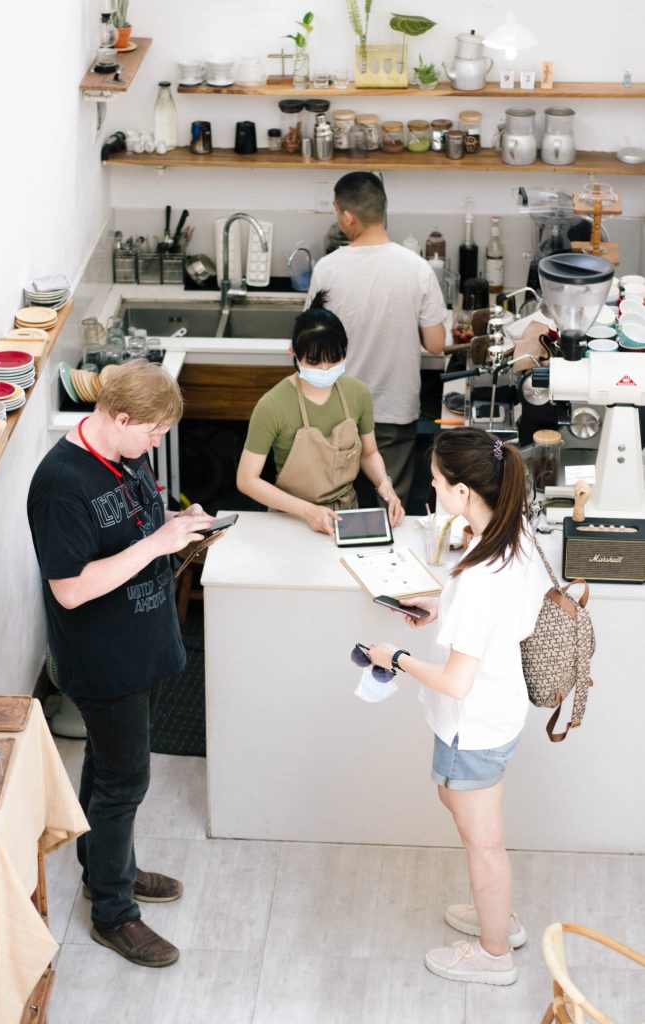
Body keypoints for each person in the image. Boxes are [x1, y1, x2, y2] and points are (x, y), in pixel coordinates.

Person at [27, 360, 219, 969]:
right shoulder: (62, 483)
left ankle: (105, 869)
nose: (158, 443)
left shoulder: (126, 455)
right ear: (118, 417)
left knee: (108, 771)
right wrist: (157, 545)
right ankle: (114, 912)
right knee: (124, 782)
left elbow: (134, 529)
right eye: (153, 432)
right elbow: (70, 589)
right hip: (105, 662)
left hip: (147, 644)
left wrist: (177, 527)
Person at [367, 428, 547, 986]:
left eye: (439, 483)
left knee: (483, 843)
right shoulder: (507, 533)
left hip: (474, 724)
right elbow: (486, 615)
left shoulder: (482, 575)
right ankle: (499, 919)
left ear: (465, 490)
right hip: (498, 713)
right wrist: (436, 605)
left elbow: (455, 682)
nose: (434, 491)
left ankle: (496, 952)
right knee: (463, 809)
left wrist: (392, 657)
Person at [306, 171, 447, 509]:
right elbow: (437, 344)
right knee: (389, 507)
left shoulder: (327, 269)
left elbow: (309, 342)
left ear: (347, 216)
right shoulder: (416, 268)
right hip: (392, 411)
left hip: (336, 413)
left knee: (337, 506)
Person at [236, 292, 404, 535]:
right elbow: (246, 480)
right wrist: (307, 511)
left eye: (334, 360)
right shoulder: (272, 406)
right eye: (315, 362)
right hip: (291, 519)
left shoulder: (358, 394)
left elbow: (369, 453)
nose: (325, 370)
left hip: (346, 517)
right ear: (293, 353)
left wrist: (384, 484)